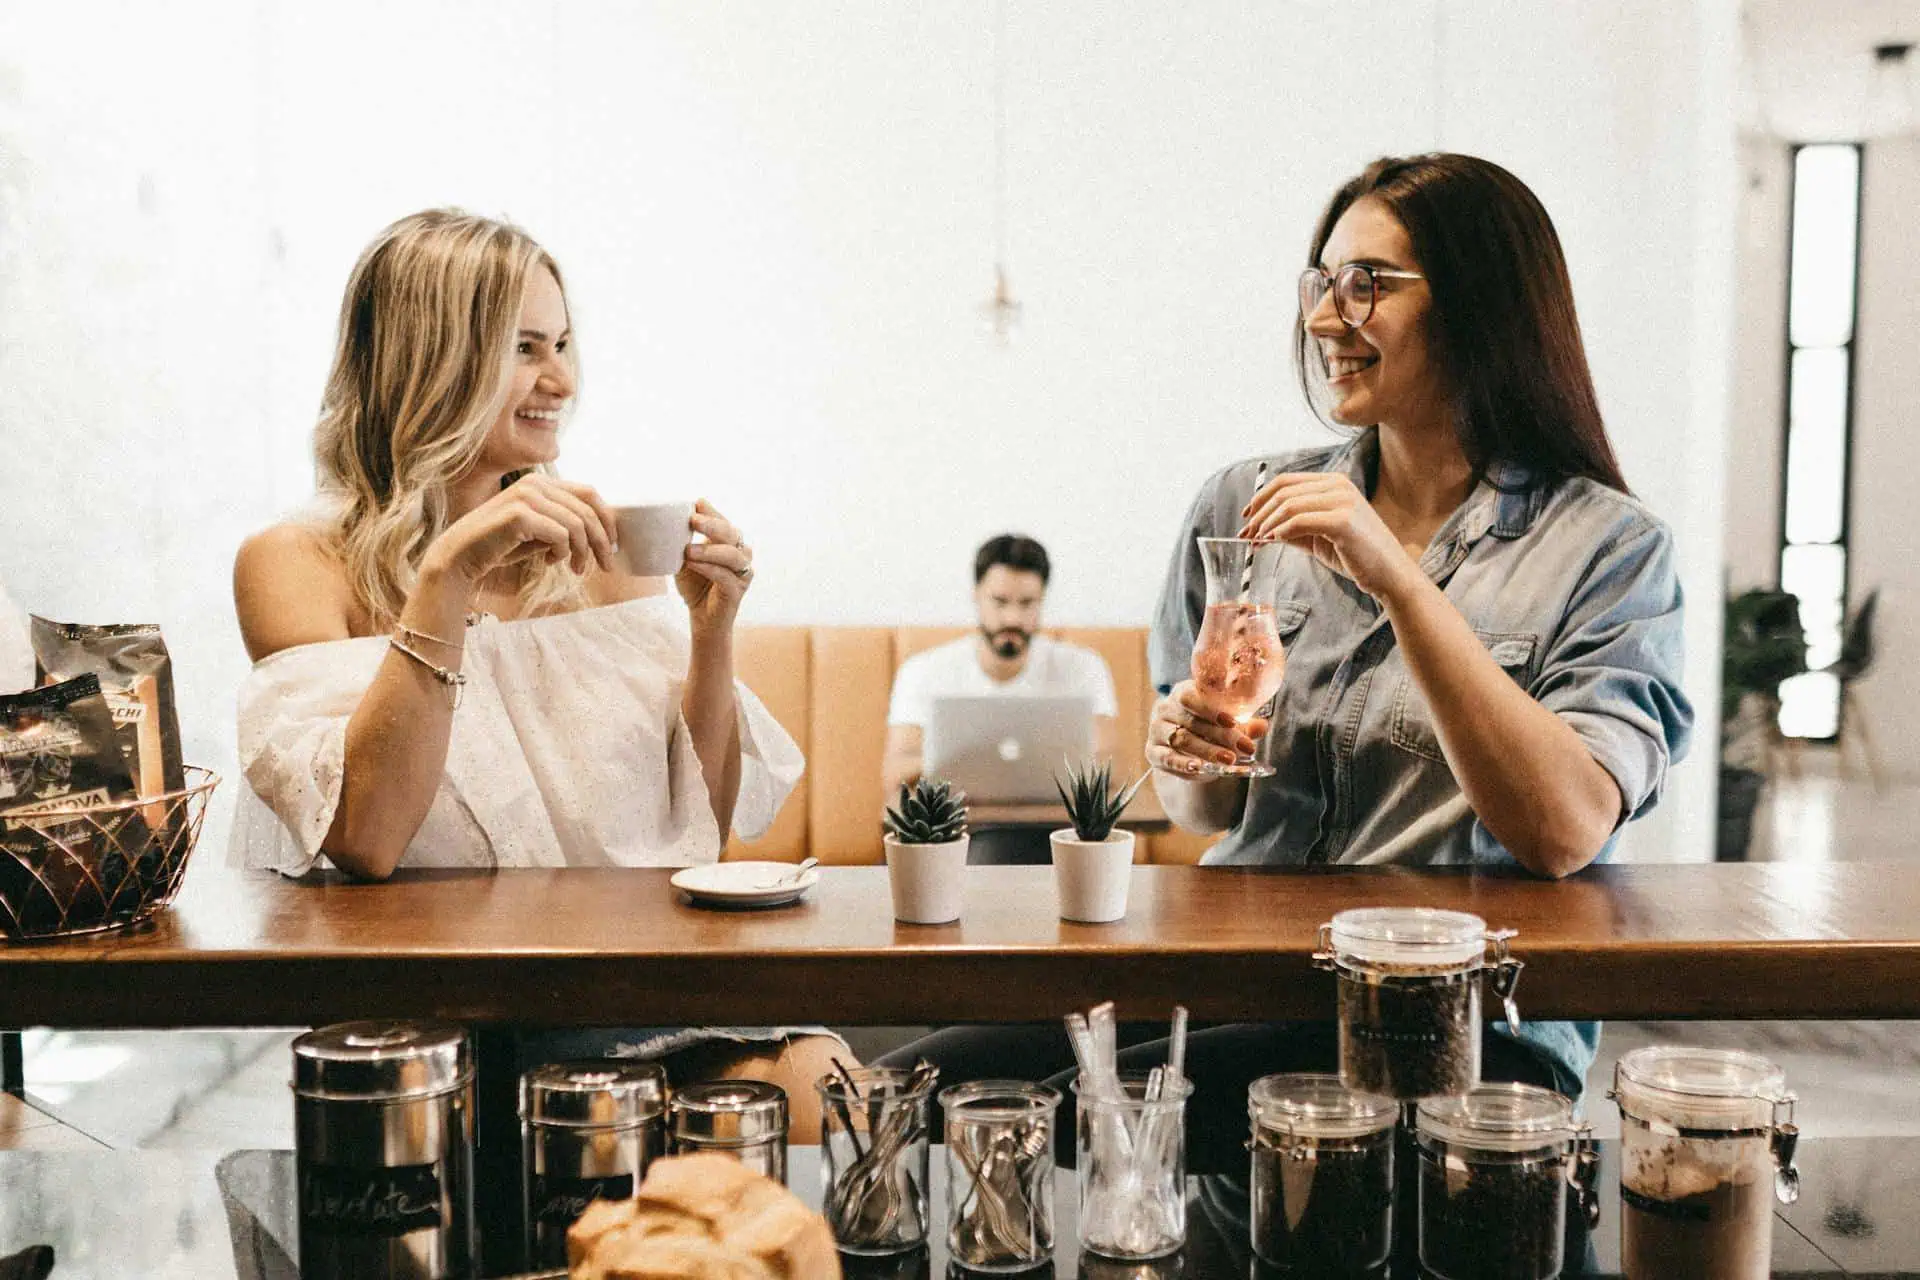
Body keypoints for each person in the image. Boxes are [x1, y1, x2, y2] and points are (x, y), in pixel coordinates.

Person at [883, 155, 1693, 1194]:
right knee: (899, 1086)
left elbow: (1566, 824)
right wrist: (1186, 744)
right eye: (1322, 281)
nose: (1325, 318)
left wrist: (1400, 580)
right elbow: (1206, 806)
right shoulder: (1245, 502)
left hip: (1463, 1030)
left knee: (1039, 1110)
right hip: (1229, 977)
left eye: (1369, 284)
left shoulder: (1610, 549)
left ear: (1485, 303)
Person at [229, 209, 847, 1137]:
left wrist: (712, 635)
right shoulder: (297, 562)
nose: (561, 379)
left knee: (834, 1092)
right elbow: (365, 835)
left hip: (638, 988)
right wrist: (445, 579)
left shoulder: (602, 556)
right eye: (524, 348)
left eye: (562, 344)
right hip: (441, 1028)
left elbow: (700, 830)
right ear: (429, 356)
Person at [882, 534, 1119, 863]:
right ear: (976, 597)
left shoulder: (1083, 668)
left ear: (1043, 601)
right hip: (955, 835)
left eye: (1027, 604)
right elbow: (896, 773)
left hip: (1061, 831)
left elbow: (1111, 768)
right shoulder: (924, 671)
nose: (1012, 619)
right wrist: (966, 761)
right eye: (999, 601)